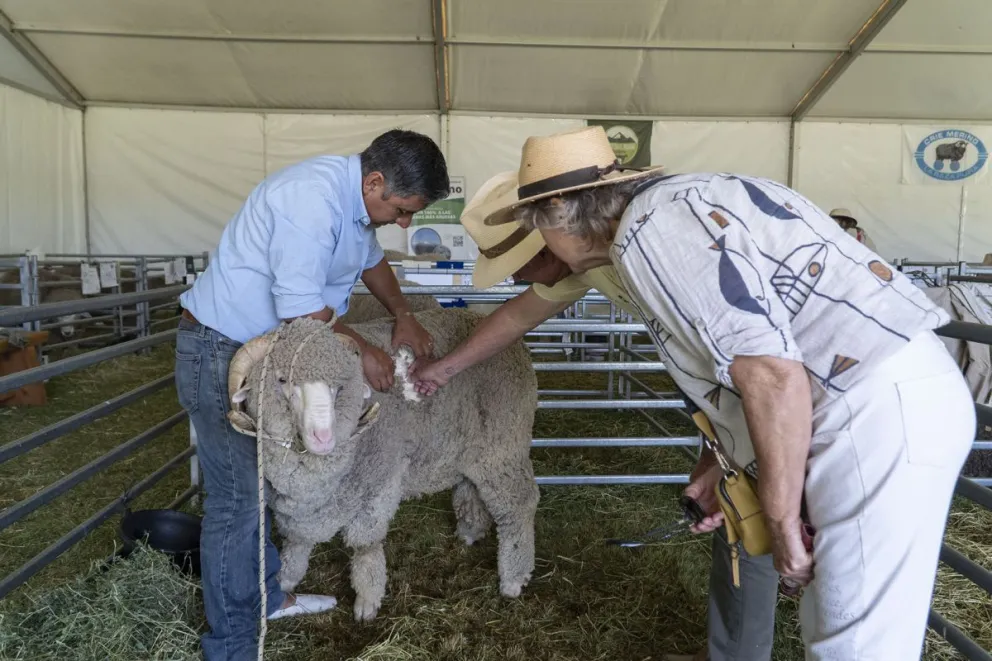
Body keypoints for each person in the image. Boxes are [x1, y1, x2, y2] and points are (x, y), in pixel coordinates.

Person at [476, 125, 976, 660]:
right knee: (841, 622)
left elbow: (771, 374)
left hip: (868, 408)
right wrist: (725, 465)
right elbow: (762, 362)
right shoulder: (687, 201)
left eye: (539, 231)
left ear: (558, 213)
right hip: (876, 395)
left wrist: (781, 519)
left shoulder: (652, 233)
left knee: (856, 644)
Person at [412, 170, 781, 661]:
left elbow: (754, 362)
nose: (515, 280)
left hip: (786, 394)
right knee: (743, 517)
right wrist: (442, 370)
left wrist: (735, 452)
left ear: (548, 245)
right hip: (737, 396)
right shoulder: (587, 263)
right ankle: (735, 653)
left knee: (788, 526)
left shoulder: (653, 251)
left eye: (517, 268)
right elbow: (518, 317)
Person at [175, 129, 449, 660]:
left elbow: (370, 264)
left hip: (273, 354)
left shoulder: (357, 207)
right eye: (402, 211)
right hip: (222, 352)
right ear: (374, 182)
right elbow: (301, 309)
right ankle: (232, 646)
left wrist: (403, 314)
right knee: (237, 497)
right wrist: (363, 350)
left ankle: (268, 597)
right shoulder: (310, 199)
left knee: (265, 481)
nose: (405, 223)